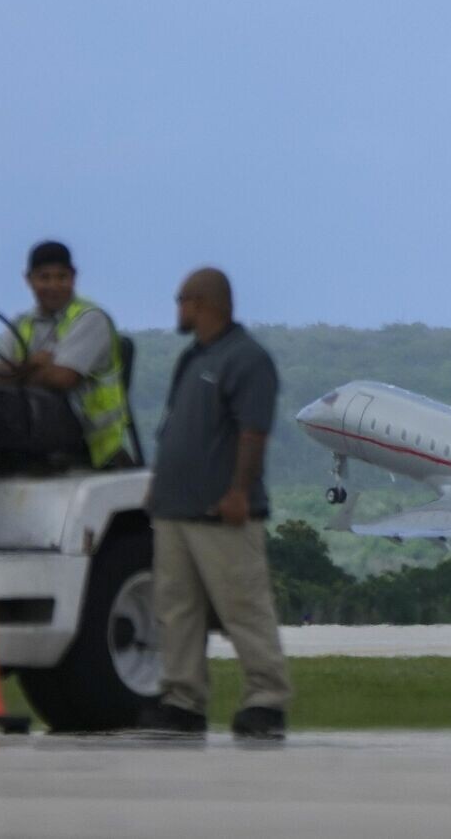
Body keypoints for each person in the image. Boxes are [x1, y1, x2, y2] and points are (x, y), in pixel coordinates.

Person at [144, 267, 291, 738]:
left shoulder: (246, 359)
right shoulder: (192, 358)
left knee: (244, 607)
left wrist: (239, 493)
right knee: (176, 612)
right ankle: (182, 701)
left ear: (203, 303)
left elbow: (253, 431)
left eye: (182, 300)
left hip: (221, 512)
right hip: (175, 512)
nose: (178, 310)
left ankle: (266, 700)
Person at [0, 240, 130, 485]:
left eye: (61, 277)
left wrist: (17, 371)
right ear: (29, 280)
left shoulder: (90, 319)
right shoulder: (21, 323)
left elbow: (63, 379)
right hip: (32, 414)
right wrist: (34, 363)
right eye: (44, 277)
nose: (53, 285)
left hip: (80, 426)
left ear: (73, 277)